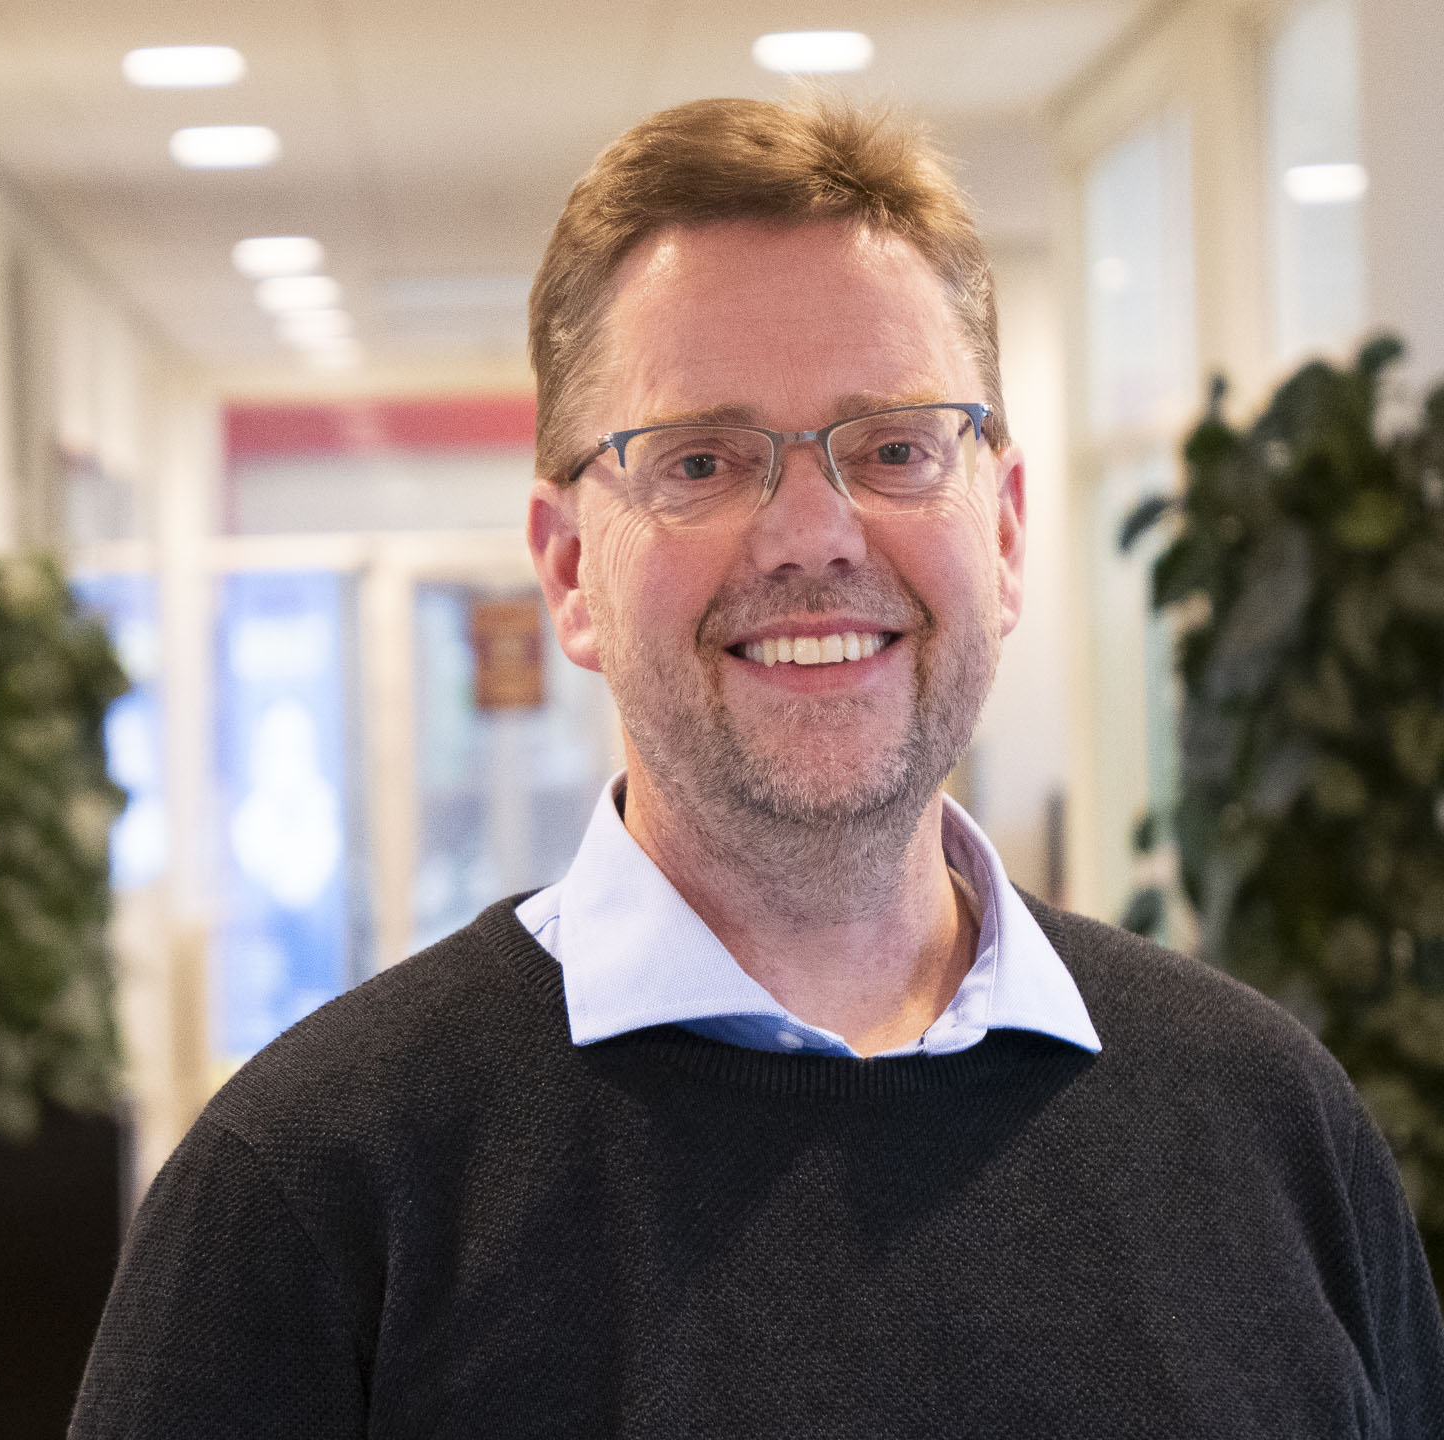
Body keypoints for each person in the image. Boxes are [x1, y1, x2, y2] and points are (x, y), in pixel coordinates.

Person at [69, 96, 1444, 1437]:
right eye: (702, 463)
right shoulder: (309, 1200)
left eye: (895, 448)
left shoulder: (1274, 1129)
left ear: (1007, 532)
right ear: (570, 569)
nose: (811, 534)